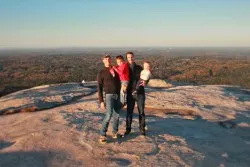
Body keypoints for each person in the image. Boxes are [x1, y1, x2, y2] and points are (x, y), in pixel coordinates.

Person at [97, 55, 122, 143]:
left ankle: (115, 133)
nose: (108, 60)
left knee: (117, 115)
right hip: (109, 95)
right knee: (109, 115)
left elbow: (121, 80)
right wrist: (101, 101)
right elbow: (99, 88)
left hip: (118, 95)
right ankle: (102, 135)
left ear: (111, 60)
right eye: (106, 59)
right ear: (103, 61)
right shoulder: (101, 73)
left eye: (109, 59)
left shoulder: (115, 69)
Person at [124, 52, 149, 136]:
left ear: (133, 57)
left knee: (141, 112)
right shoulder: (125, 68)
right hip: (130, 93)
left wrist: (146, 82)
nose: (130, 58)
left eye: (131, 57)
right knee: (129, 112)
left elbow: (145, 77)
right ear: (126, 58)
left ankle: (142, 129)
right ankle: (128, 129)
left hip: (140, 93)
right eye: (128, 57)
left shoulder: (139, 68)